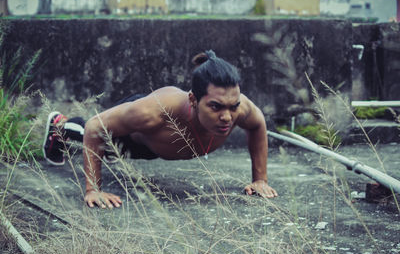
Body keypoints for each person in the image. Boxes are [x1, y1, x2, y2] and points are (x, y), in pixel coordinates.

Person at [42, 50, 278, 209]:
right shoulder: (152, 112)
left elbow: (258, 125)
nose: (227, 117)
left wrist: (260, 180)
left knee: (113, 154)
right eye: (215, 107)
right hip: (134, 135)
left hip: (152, 147)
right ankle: (59, 126)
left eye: (232, 106)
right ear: (194, 100)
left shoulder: (241, 108)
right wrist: (93, 189)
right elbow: (96, 126)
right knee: (95, 138)